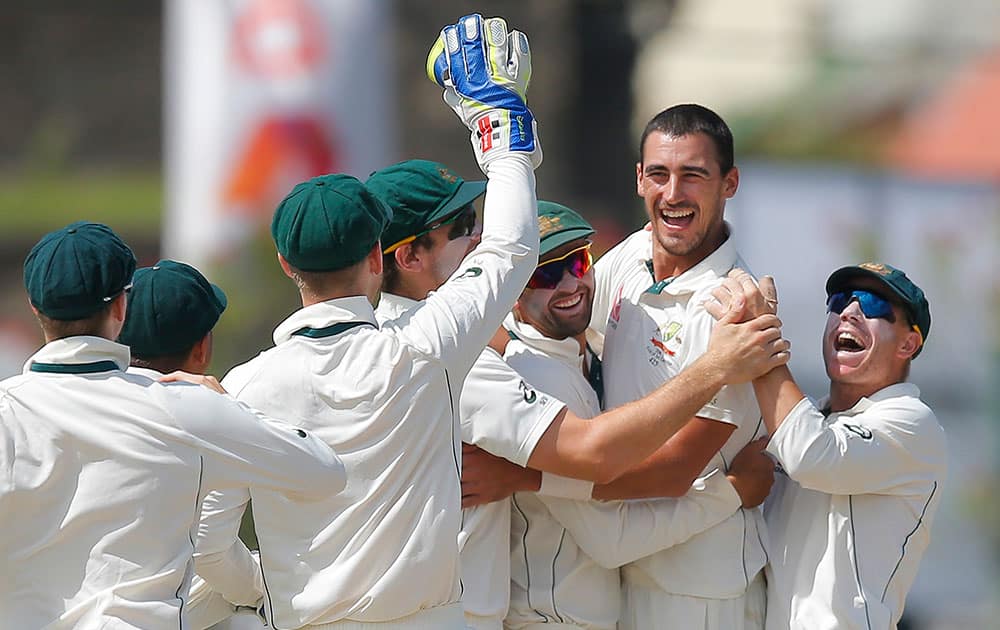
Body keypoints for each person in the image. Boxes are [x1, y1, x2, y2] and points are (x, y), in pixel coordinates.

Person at [205, 14, 542, 629]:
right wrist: (499, 123)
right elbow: (512, 247)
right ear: (374, 258)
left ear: (286, 264)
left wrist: (269, 585)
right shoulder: (424, 350)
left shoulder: (246, 386)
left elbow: (206, 542)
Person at [366, 158, 785, 630]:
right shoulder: (474, 364)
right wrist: (717, 376)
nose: (481, 241)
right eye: (463, 227)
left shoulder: (430, 343)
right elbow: (597, 461)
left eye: (579, 261)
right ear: (407, 258)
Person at [0, 222, 345, 629]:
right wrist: (222, 404)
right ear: (120, 309)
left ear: (34, 306)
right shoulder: (182, 406)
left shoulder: (6, 410)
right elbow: (323, 471)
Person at [586, 103, 769, 629]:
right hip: (621, 567)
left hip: (701, 591)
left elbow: (675, 468)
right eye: (660, 174)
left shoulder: (736, 305)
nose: (673, 194)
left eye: (694, 175)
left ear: (729, 183)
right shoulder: (631, 254)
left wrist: (531, 476)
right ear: (640, 178)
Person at [706, 263, 946, 630]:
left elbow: (811, 455)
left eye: (872, 304)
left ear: (908, 343)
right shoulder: (811, 418)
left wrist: (759, 337)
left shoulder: (913, 422)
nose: (849, 311)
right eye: (839, 301)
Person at [117, 259, 262, 629]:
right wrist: (266, 587)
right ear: (201, 349)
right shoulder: (209, 421)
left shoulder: (68, 404)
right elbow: (212, 554)